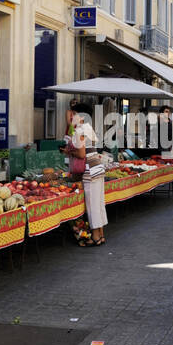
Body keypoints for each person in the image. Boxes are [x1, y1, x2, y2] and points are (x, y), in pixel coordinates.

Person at [66, 103, 107, 244]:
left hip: (90, 170)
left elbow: (81, 153)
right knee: (99, 203)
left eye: (74, 114)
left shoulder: (79, 130)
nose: (72, 117)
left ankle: (95, 237)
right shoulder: (89, 128)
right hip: (98, 167)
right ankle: (101, 235)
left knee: (92, 205)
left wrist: (69, 151)